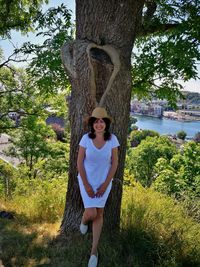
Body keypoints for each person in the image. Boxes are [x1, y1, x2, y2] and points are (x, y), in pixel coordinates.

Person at [77, 107, 120, 267]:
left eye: (102, 121)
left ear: (106, 124)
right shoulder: (85, 139)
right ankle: (84, 219)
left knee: (99, 213)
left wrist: (106, 184)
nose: (99, 124)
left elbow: (115, 163)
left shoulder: (112, 139)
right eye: (96, 121)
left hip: (104, 181)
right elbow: (79, 163)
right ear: (92, 124)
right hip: (86, 179)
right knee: (91, 212)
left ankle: (93, 252)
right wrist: (87, 185)